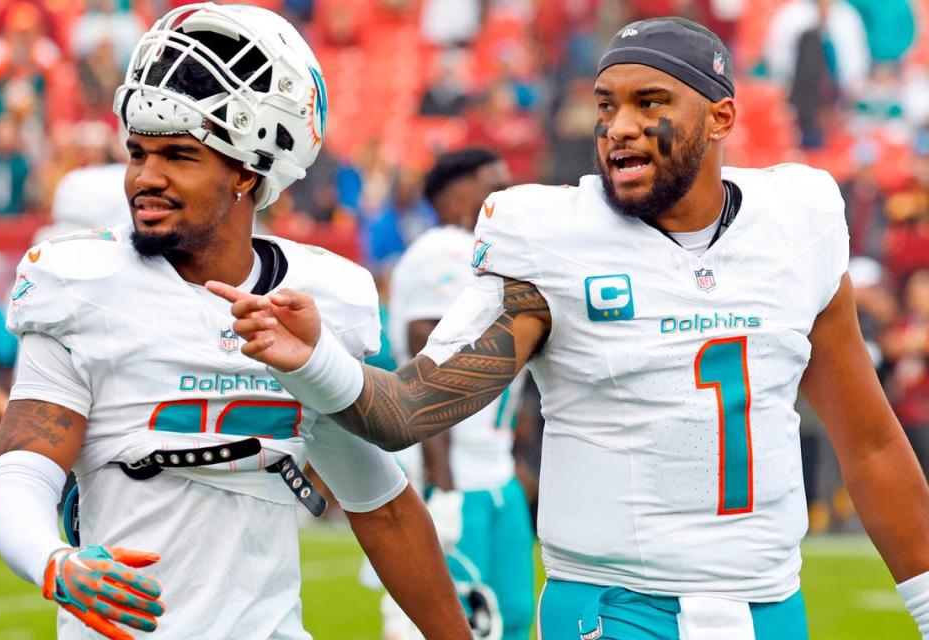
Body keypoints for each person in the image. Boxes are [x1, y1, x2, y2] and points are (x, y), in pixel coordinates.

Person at [212, 17, 929, 639]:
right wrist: (314, 361)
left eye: (651, 103)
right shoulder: (552, 239)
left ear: (721, 117)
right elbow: (409, 410)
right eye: (606, 105)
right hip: (613, 611)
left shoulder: (797, 220)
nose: (619, 126)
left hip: (773, 608)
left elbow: (868, 443)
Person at [0, 5, 468, 640]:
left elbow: (380, 505)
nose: (145, 178)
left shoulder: (317, 296)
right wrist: (56, 562)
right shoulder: (82, 287)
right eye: (138, 152)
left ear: (247, 170)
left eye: (179, 155)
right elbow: (24, 469)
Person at [385, 148, 535, 639]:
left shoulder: (486, 253)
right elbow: (426, 375)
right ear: (454, 197)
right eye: (494, 185)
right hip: (455, 477)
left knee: (512, 615)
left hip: (494, 472)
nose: (505, 197)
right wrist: (443, 486)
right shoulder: (443, 252)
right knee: (462, 623)